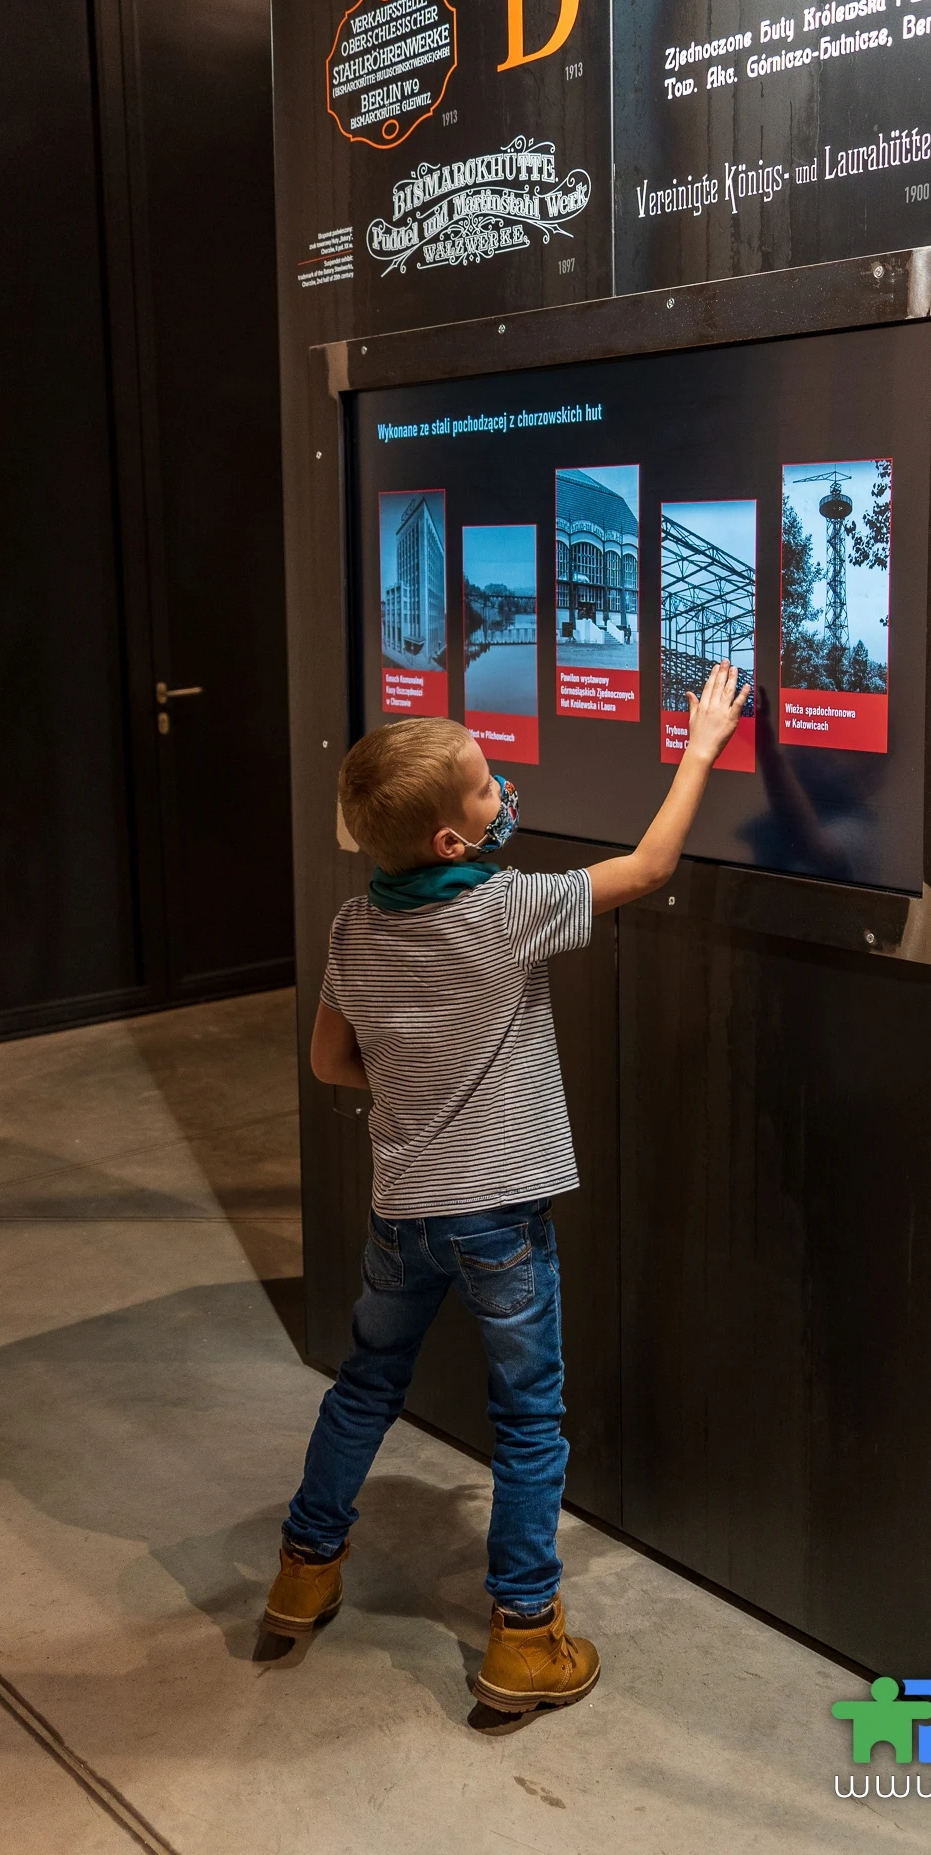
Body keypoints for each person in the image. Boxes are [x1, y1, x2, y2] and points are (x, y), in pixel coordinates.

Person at [263, 661, 748, 1713]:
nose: (502, 789)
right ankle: (524, 1634)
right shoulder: (504, 910)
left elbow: (331, 1063)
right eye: (485, 786)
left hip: (405, 1211)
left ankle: (305, 1568)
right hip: (502, 1221)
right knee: (528, 1418)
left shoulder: (356, 928)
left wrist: (421, 1079)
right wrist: (703, 741)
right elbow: (652, 865)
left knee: (364, 1384)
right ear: (451, 841)